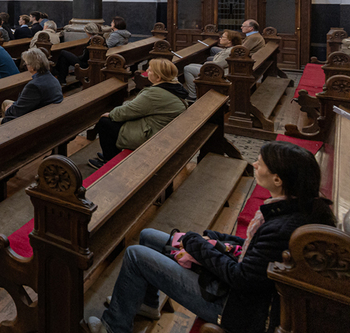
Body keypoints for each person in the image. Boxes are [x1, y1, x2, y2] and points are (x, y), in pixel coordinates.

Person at [88, 141, 336, 333]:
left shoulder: (282, 227)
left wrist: (197, 245)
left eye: (260, 164)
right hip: (245, 293)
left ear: (278, 180)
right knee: (148, 235)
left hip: (236, 308)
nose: (254, 165)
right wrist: (217, 239)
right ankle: (148, 303)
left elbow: (241, 278)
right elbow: (255, 250)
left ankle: (113, 325)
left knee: (136, 255)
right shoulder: (297, 208)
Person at [87, 59, 188, 169]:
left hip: (152, 135)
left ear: (158, 77)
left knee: (105, 122)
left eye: (150, 70)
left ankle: (109, 161)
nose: (147, 70)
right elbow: (138, 108)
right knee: (116, 120)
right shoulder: (175, 87)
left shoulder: (155, 93)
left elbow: (127, 111)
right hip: (162, 130)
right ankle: (111, 155)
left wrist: (111, 114)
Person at [0, 48, 63, 129]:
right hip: (43, 112)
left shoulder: (34, 86)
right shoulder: (52, 78)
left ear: (32, 67)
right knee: (5, 102)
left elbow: (17, 112)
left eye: (26, 64)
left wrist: (9, 109)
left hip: (34, 121)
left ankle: (6, 132)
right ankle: (5, 129)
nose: (26, 66)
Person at [183, 30, 243, 100]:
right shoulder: (230, 49)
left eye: (222, 37)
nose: (220, 38)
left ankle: (192, 96)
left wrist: (207, 63)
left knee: (187, 68)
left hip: (218, 74)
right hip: (218, 70)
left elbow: (217, 65)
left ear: (229, 40)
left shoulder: (230, 52)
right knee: (191, 65)